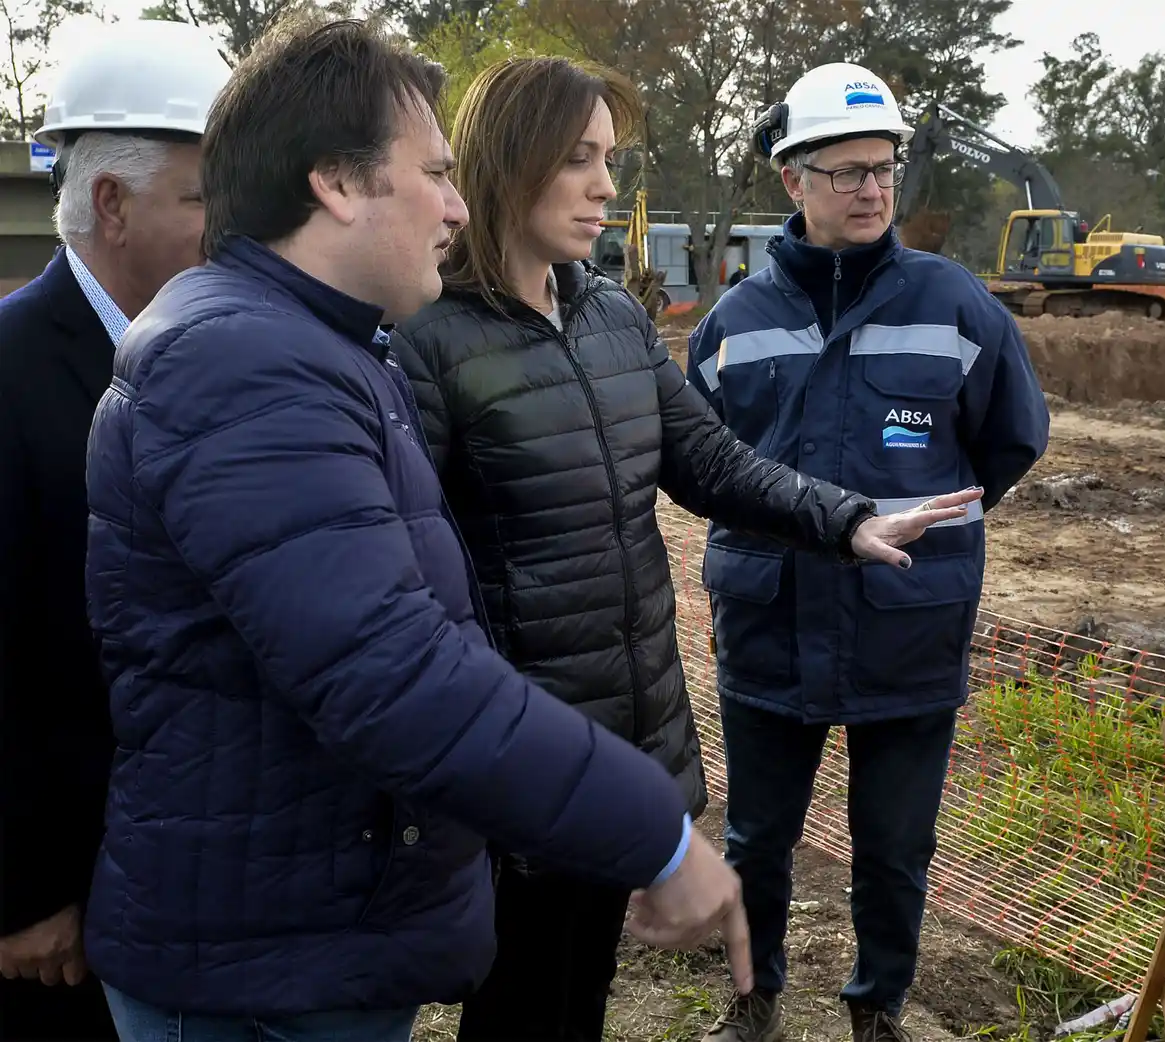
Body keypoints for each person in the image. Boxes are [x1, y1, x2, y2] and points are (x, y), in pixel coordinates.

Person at [79, 16, 777, 1041]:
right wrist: (653, 833)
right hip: (260, 971)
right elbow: (394, 671)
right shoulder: (244, 366)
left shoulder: (319, 351)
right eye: (435, 173)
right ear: (337, 182)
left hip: (311, 932)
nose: (457, 206)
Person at [388, 55, 982, 1042]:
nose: (605, 186)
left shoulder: (613, 316)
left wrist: (844, 518)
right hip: (519, 744)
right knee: (519, 991)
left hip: (625, 738)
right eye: (578, 158)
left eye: (609, 158)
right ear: (507, 163)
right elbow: (409, 573)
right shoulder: (429, 341)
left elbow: (709, 460)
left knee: (582, 982)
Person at [685, 62, 1052, 1042]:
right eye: (846, 171)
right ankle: (754, 995)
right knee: (759, 839)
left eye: (883, 169)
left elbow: (1011, 439)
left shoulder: (957, 304)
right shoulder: (733, 324)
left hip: (906, 631)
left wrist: (935, 545)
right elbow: (710, 462)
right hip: (769, 624)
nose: (871, 189)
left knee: (894, 847)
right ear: (792, 178)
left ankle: (878, 1006)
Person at [0, 21, 229, 1041]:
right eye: (201, 197)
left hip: (183, 877)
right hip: (61, 910)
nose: (228, 227)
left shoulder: (210, 357)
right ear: (110, 202)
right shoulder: (8, 370)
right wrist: (25, 889)